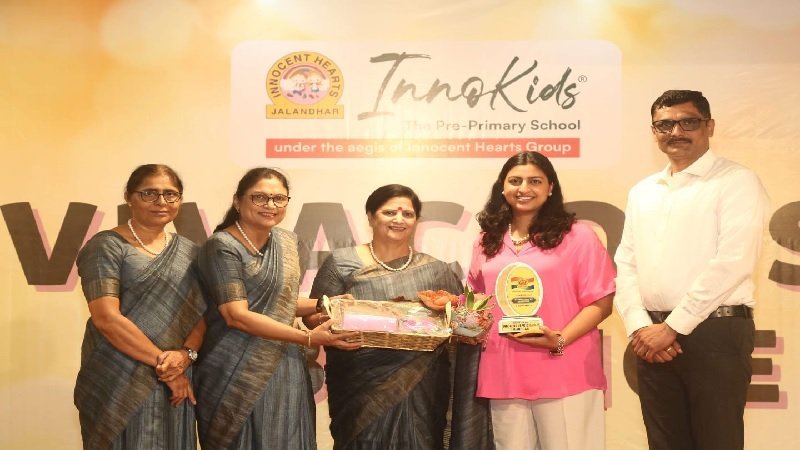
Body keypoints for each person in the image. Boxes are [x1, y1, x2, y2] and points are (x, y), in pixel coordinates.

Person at [614, 90, 769, 450]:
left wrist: (672, 327)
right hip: (652, 339)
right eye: (664, 125)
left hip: (715, 333)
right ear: (654, 131)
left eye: (688, 122)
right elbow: (626, 263)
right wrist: (640, 327)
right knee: (664, 443)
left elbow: (733, 260)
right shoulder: (642, 191)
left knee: (717, 441)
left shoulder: (736, 180)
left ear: (709, 126)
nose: (676, 132)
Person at [309, 184, 494, 450]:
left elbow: (465, 329)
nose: (399, 219)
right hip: (359, 387)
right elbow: (313, 318)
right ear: (370, 217)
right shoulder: (340, 263)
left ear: (416, 221)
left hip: (423, 389)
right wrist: (336, 319)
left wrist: (460, 314)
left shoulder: (436, 271)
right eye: (389, 212)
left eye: (407, 214)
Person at [193, 167, 360, 450]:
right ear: (238, 201)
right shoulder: (222, 246)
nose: (270, 205)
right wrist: (308, 337)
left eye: (279, 198)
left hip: (285, 364)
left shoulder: (286, 242)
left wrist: (326, 303)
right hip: (233, 368)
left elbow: (281, 303)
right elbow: (236, 315)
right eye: (259, 197)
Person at [468, 151, 615, 450]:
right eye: (515, 181)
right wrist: (460, 319)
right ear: (502, 187)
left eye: (535, 181)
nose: (524, 188)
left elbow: (601, 302)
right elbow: (476, 301)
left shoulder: (579, 236)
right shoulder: (486, 241)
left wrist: (559, 340)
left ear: (550, 188)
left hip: (565, 367)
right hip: (504, 372)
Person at [74, 164, 206, 449]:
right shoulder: (106, 246)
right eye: (149, 193)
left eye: (170, 194)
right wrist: (166, 366)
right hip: (120, 374)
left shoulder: (190, 251)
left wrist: (185, 356)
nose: (161, 201)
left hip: (176, 375)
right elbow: (106, 318)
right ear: (129, 197)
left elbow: (200, 314)